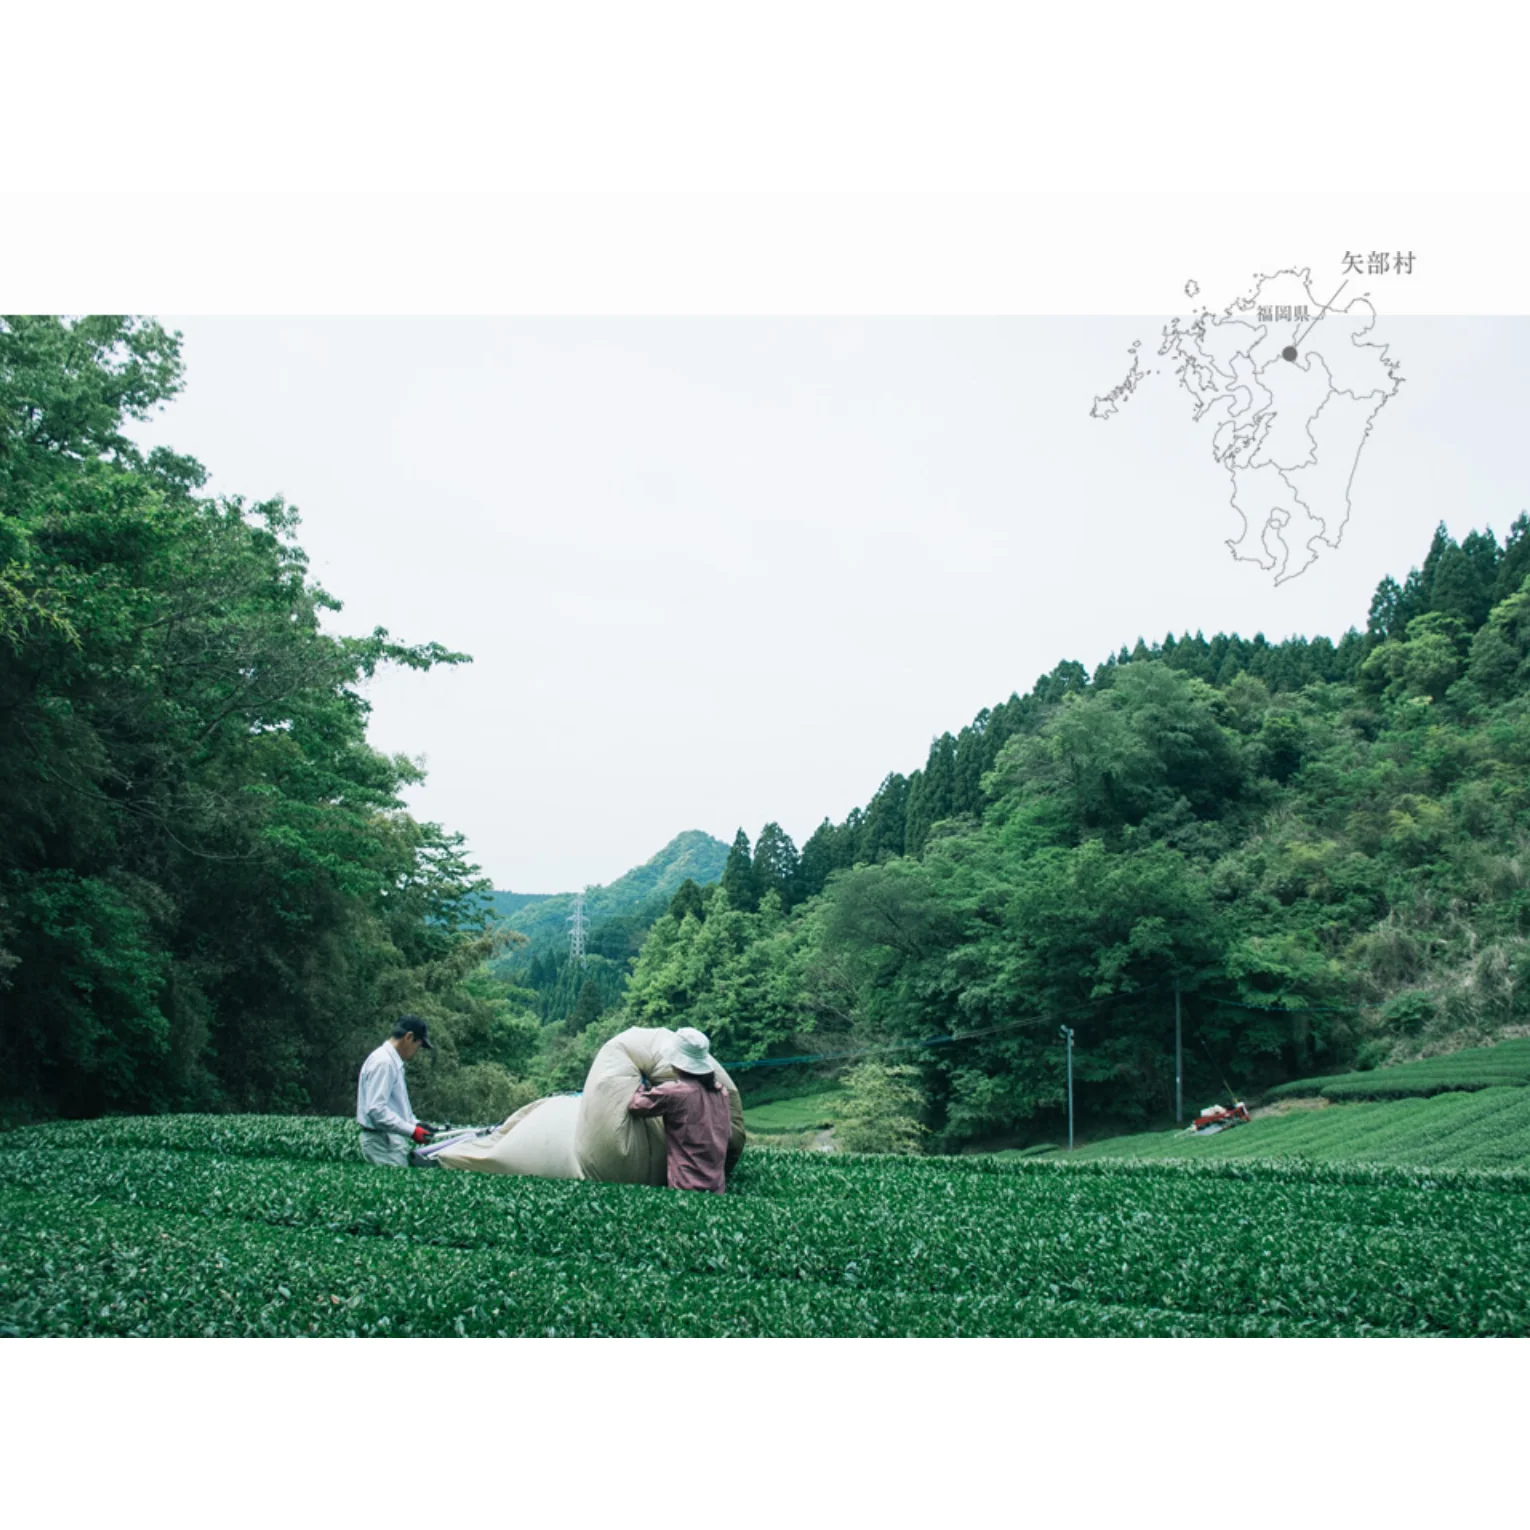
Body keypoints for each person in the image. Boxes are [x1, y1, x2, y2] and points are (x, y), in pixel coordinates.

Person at [626, 1026, 732, 1193]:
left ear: (678, 1064)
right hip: (717, 1188)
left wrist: (641, 1088)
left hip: (685, 1188)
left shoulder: (675, 1092)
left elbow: (636, 1106)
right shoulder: (721, 1092)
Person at [356, 1015, 436, 1167]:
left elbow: (396, 1107)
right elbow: (376, 1110)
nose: (416, 1051)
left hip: (389, 1139)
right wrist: (412, 1131)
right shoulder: (384, 1062)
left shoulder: (392, 1062)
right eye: (417, 1045)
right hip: (382, 1142)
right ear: (408, 1037)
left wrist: (416, 1124)